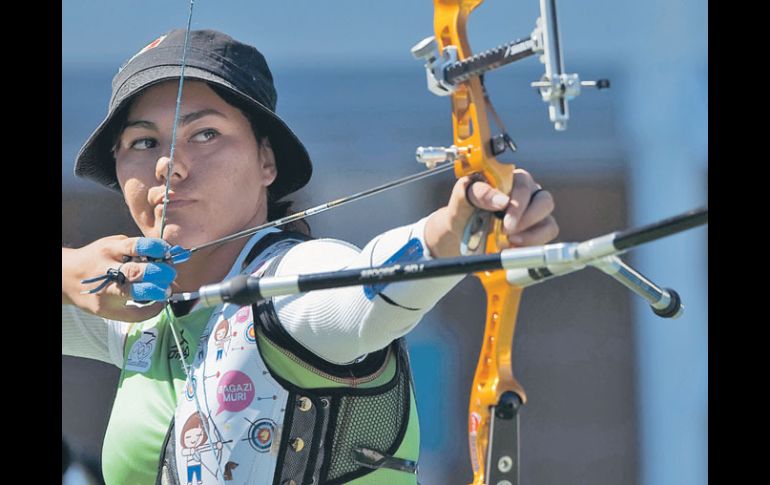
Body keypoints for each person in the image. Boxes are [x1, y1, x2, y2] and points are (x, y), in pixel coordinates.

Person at [61, 28, 558, 485]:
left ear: (266, 161)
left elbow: (367, 291)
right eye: (143, 142)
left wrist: (455, 229)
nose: (169, 164)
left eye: (205, 134)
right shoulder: (133, 311)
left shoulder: (288, 284)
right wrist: (68, 275)